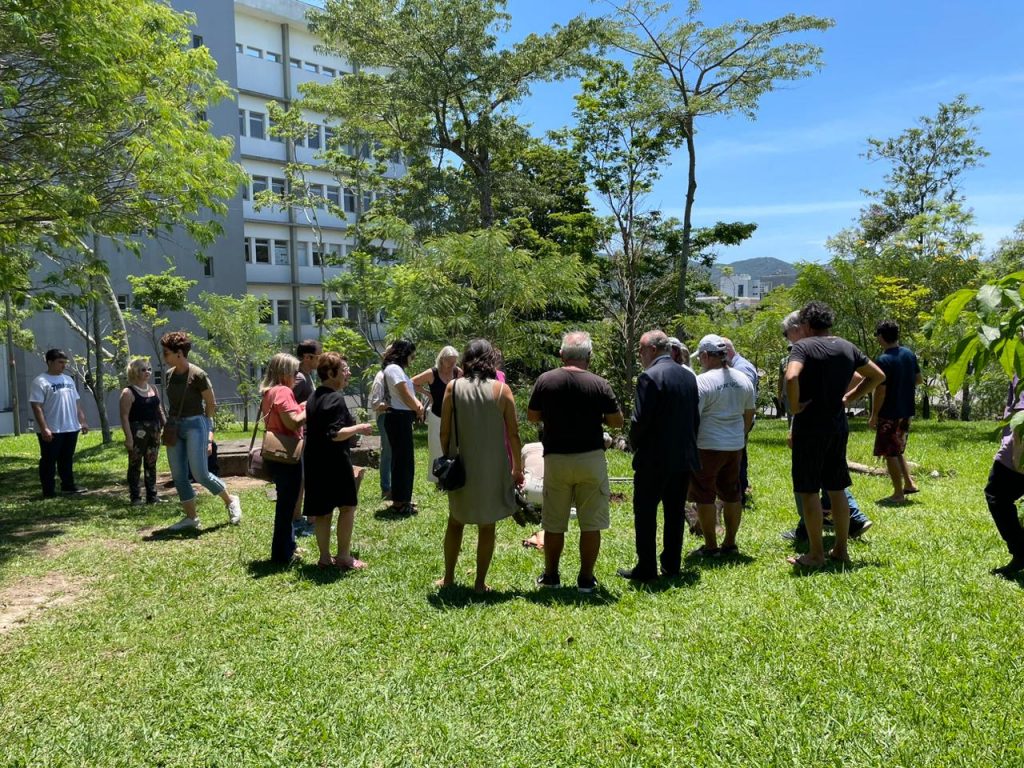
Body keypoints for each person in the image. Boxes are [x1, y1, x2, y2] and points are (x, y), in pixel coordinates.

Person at [784, 302, 884, 568]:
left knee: (808, 490)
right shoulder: (846, 346)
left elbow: (792, 377)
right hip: (837, 426)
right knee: (837, 488)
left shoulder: (802, 347)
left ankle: (816, 554)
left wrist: (795, 406)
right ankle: (841, 549)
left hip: (810, 427)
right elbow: (877, 376)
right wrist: (849, 397)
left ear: (806, 325)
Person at [527, 331, 623, 592]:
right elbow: (617, 421)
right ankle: (586, 579)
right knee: (591, 524)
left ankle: (551, 577)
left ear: (561, 355)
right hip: (590, 458)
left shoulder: (546, 380)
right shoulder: (600, 384)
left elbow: (532, 416)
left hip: (556, 459)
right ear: (589, 356)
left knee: (554, 522)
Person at [437, 339, 523, 592]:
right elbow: (514, 434)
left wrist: (447, 458)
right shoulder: (502, 390)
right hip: (492, 467)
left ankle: (448, 578)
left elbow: (444, 431)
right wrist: (517, 469)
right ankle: (479, 583)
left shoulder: (452, 387)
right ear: (491, 360)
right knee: (487, 526)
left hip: (461, 464)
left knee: (455, 521)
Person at [619, 330, 700, 581]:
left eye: (641, 350)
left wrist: (634, 444)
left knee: (645, 514)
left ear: (653, 350)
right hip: (683, 457)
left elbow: (639, 420)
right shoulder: (688, 376)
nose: (640, 355)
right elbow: (695, 418)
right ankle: (672, 565)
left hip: (653, 459)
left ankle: (646, 568)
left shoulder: (649, 377)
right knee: (674, 513)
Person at [160, 331, 242, 531]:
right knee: (179, 476)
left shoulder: (198, 375)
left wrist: (207, 433)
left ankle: (231, 500)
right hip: (175, 426)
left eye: (166, 353)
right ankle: (191, 518)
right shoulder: (169, 375)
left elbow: (211, 405)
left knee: (200, 474)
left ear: (179, 353)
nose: (164, 357)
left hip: (196, 425)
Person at [304, 353, 375, 569]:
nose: (348, 373)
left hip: (314, 461)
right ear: (330, 373)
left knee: (323, 512)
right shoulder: (335, 398)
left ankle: (324, 558)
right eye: (344, 370)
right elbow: (335, 434)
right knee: (347, 507)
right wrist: (360, 427)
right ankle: (344, 557)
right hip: (334, 462)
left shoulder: (313, 397)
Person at [689, 334, 755, 557]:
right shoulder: (743, 378)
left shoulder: (702, 381)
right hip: (734, 445)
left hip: (707, 445)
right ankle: (730, 543)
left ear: (706, 356)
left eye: (701, 357)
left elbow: (694, 417)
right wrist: (740, 435)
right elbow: (749, 413)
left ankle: (711, 546)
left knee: (704, 495)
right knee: (732, 494)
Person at [259, 353, 307, 563]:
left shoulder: (269, 392)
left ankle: (289, 546)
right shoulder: (283, 391)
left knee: (285, 503)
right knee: (287, 506)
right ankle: (282, 554)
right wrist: (309, 408)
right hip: (287, 454)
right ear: (284, 373)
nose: (297, 376)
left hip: (275, 453)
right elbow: (292, 422)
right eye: (295, 372)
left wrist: (301, 406)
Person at [869, 320, 922, 504]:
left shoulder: (883, 360)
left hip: (889, 412)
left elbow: (881, 391)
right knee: (897, 448)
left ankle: (898, 493)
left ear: (881, 336)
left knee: (889, 453)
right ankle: (909, 483)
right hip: (906, 411)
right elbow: (918, 379)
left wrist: (874, 415)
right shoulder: (909, 354)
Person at [30, 349, 89, 498]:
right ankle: (48, 491)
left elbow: (76, 402)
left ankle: (68, 485)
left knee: (66, 458)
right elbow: (36, 406)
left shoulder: (68, 380)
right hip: (52, 428)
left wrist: (82, 421)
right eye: (60, 362)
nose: (63, 365)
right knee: (49, 460)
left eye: (65, 362)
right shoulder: (40, 381)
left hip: (70, 427)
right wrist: (44, 428)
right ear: (50, 362)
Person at [985, 378, 1024, 576]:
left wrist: (1018, 453)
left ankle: (1021, 552)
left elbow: (1022, 412)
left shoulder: (1020, 364)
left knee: (998, 494)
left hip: (1019, 446)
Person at [382, 340, 425, 515]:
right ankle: (400, 502)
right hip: (398, 418)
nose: (412, 360)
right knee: (402, 462)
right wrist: (418, 407)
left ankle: (403, 498)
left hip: (401, 418)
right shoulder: (394, 369)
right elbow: (403, 392)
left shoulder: (396, 369)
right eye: (411, 356)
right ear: (403, 354)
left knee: (405, 461)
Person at [119, 357, 166, 506]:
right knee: (135, 464)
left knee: (151, 463)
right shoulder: (128, 392)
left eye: (149, 369)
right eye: (143, 369)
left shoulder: (153, 389)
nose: (147, 372)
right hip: (137, 433)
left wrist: (165, 426)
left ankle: (152, 496)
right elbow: (124, 417)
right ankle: (135, 497)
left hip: (154, 431)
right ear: (134, 372)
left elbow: (159, 409)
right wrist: (128, 438)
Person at [412, 346, 461, 487]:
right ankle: (438, 479)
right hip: (436, 415)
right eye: (449, 361)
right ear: (442, 359)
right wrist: (428, 394)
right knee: (436, 447)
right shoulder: (432, 373)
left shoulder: (457, 372)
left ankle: (452, 475)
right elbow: (412, 382)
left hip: (454, 416)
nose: (452, 364)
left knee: (454, 446)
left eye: (454, 361)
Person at [291, 339, 321, 538]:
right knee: (303, 479)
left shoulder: (307, 376)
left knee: (303, 479)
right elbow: (288, 405)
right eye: (318, 356)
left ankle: (298, 518)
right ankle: (299, 520)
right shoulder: (300, 378)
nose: (320, 359)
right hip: (301, 435)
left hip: (306, 434)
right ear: (307, 357)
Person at [368, 344, 393, 500]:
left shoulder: (396, 374)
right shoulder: (381, 376)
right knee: (388, 453)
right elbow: (375, 403)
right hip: (386, 417)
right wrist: (393, 404)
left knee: (396, 453)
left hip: (396, 418)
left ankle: (395, 488)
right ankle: (386, 488)